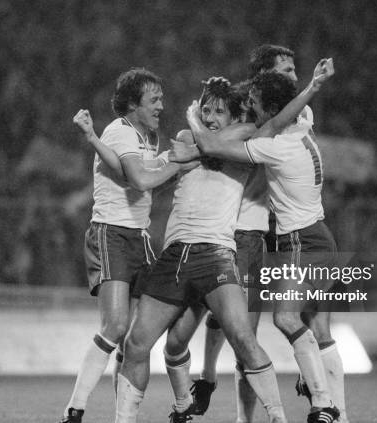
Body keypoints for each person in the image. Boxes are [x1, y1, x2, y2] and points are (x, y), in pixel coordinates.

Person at [115, 77, 290, 423]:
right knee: (136, 345)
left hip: (215, 255)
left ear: (234, 118)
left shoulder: (244, 143)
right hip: (175, 256)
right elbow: (187, 148)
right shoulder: (188, 138)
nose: (209, 116)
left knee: (243, 339)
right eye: (204, 109)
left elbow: (215, 143)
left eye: (218, 112)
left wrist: (198, 137)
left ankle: (278, 418)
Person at [183, 65, 341, 423]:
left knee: (285, 318)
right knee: (281, 321)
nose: (249, 105)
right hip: (306, 237)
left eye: (254, 101)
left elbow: (210, 145)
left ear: (270, 109)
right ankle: (323, 404)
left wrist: (193, 116)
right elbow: (280, 114)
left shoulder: (275, 147)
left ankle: (323, 402)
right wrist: (313, 86)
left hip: (302, 240)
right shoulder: (301, 122)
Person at [58, 68, 199, 423]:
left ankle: (131, 417)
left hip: (140, 237)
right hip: (112, 234)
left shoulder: (148, 136)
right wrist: (176, 166)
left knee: (139, 337)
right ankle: (74, 409)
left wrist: (179, 159)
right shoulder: (119, 131)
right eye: (154, 100)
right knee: (117, 326)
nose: (161, 106)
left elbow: (144, 171)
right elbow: (139, 180)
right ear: (133, 104)